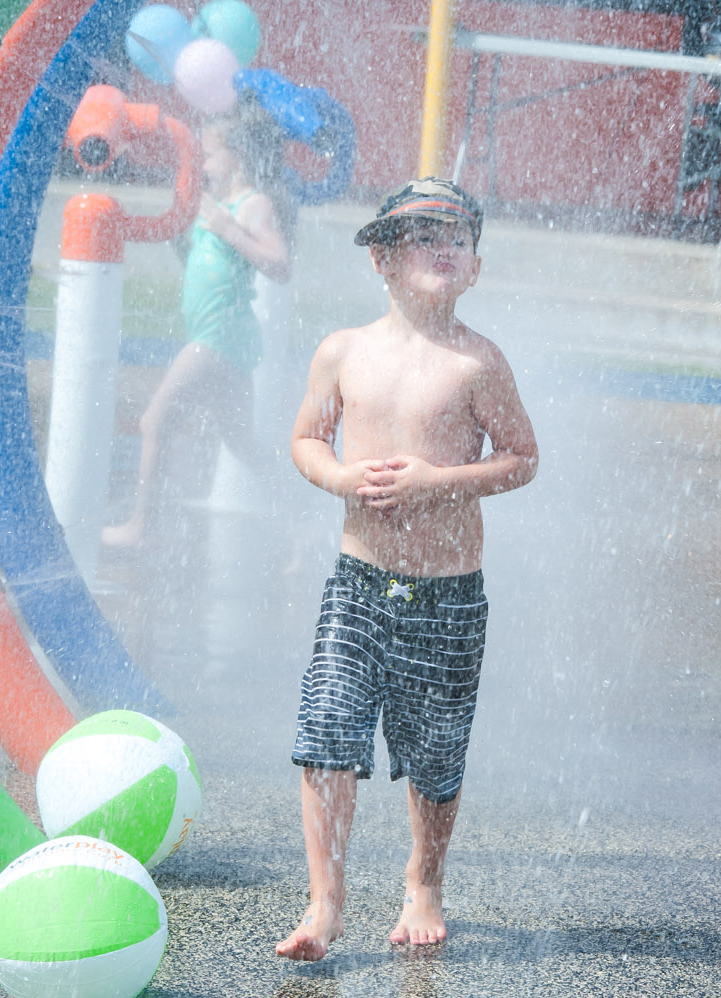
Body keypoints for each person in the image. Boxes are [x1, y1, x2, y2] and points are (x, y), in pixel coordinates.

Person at [275, 178, 538, 961]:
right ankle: (325, 903)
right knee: (327, 729)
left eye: (458, 236)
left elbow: (523, 459)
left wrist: (436, 481)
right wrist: (342, 478)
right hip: (360, 581)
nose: (445, 247)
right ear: (382, 260)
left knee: (435, 748)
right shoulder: (343, 351)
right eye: (425, 236)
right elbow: (305, 441)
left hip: (448, 591)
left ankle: (424, 877)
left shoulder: (478, 364)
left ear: (476, 268)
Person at [100, 99, 292, 548]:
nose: (201, 163)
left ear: (237, 157)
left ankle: (140, 528)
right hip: (223, 339)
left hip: (218, 338)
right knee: (243, 443)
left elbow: (280, 264)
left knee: (154, 421)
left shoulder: (252, 205)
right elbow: (201, 259)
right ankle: (297, 530)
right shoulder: (218, 204)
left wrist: (228, 230)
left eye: (209, 155)